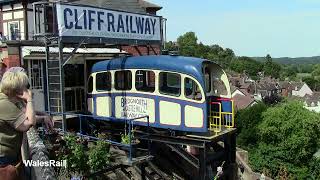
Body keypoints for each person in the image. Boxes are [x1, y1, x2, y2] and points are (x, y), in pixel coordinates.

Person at [0, 69, 53, 179]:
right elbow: (29, 122)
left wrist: (44, 116)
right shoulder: (4, 104)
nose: (27, 89)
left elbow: (27, 113)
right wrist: (29, 99)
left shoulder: (9, 100)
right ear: (17, 88)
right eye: (25, 86)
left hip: (8, 155)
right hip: (4, 158)